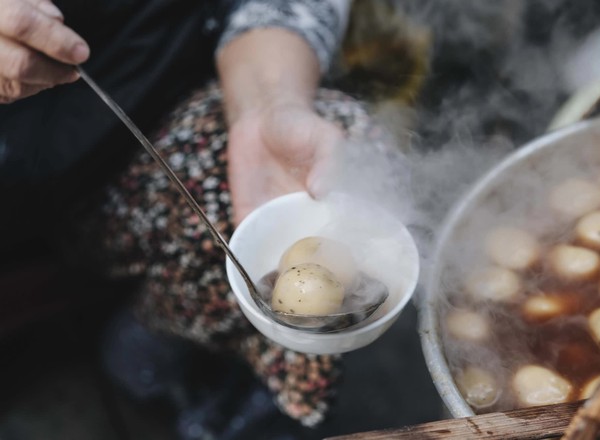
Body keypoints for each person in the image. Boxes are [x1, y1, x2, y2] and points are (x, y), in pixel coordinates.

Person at [0, 0, 375, 432]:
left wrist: (268, 102)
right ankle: (148, 352)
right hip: (31, 176)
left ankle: (167, 339)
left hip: (175, 80)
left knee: (342, 156)